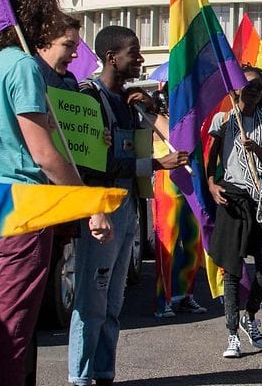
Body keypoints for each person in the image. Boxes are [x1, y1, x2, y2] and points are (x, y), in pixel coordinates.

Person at [0, 0, 104, 386]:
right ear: (33, 13)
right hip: (22, 207)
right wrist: (87, 201)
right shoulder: (21, 65)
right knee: (14, 322)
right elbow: (43, 151)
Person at [69, 26, 189, 386]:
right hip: (100, 211)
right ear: (111, 57)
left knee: (112, 302)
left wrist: (151, 110)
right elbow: (94, 164)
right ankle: (80, 376)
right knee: (91, 299)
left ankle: (104, 372)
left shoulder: (129, 101)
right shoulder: (89, 98)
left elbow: (168, 138)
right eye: (133, 53)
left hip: (127, 209)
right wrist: (155, 165)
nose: (140, 60)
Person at [207, 65, 262, 358]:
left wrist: (256, 149)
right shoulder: (224, 119)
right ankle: (231, 333)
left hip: (261, 197)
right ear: (236, 87)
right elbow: (211, 160)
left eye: (258, 88)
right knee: (232, 269)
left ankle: (249, 315)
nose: (252, 92)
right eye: (247, 86)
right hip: (233, 198)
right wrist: (213, 185)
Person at [145, 83, 206, 319]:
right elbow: (173, 140)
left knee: (193, 241)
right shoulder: (154, 118)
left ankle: (184, 294)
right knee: (167, 243)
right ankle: (163, 300)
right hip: (167, 184)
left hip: (192, 183)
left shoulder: (195, 120)